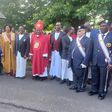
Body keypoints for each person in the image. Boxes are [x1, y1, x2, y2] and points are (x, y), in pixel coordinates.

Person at [88, 21, 112, 100]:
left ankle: (102, 92)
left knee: (104, 78)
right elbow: (92, 48)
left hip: (105, 61)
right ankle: (94, 89)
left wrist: (111, 62)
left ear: (108, 27)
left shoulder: (111, 36)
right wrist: (90, 59)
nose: (102, 27)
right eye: (101, 26)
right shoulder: (96, 35)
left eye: (104, 26)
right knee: (95, 76)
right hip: (95, 60)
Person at [68, 26, 92, 92]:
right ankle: (75, 85)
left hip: (81, 61)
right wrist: (69, 59)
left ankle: (81, 86)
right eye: (78, 31)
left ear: (84, 32)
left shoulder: (88, 40)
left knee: (81, 75)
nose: (78, 32)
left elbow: (88, 53)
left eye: (80, 31)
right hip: (73, 60)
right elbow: (70, 49)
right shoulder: (75, 39)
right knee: (75, 73)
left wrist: (85, 63)